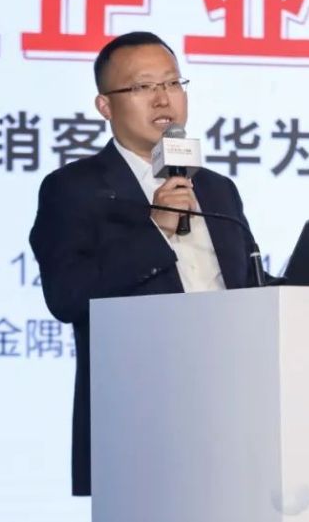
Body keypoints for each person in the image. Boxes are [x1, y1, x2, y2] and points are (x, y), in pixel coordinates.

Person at [29, 31, 263, 496]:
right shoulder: (73, 189)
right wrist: (154, 231)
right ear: (105, 105)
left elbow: (247, 285)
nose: (163, 99)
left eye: (173, 83)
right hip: (141, 420)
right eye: (142, 87)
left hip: (235, 408)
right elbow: (67, 296)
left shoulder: (217, 189)